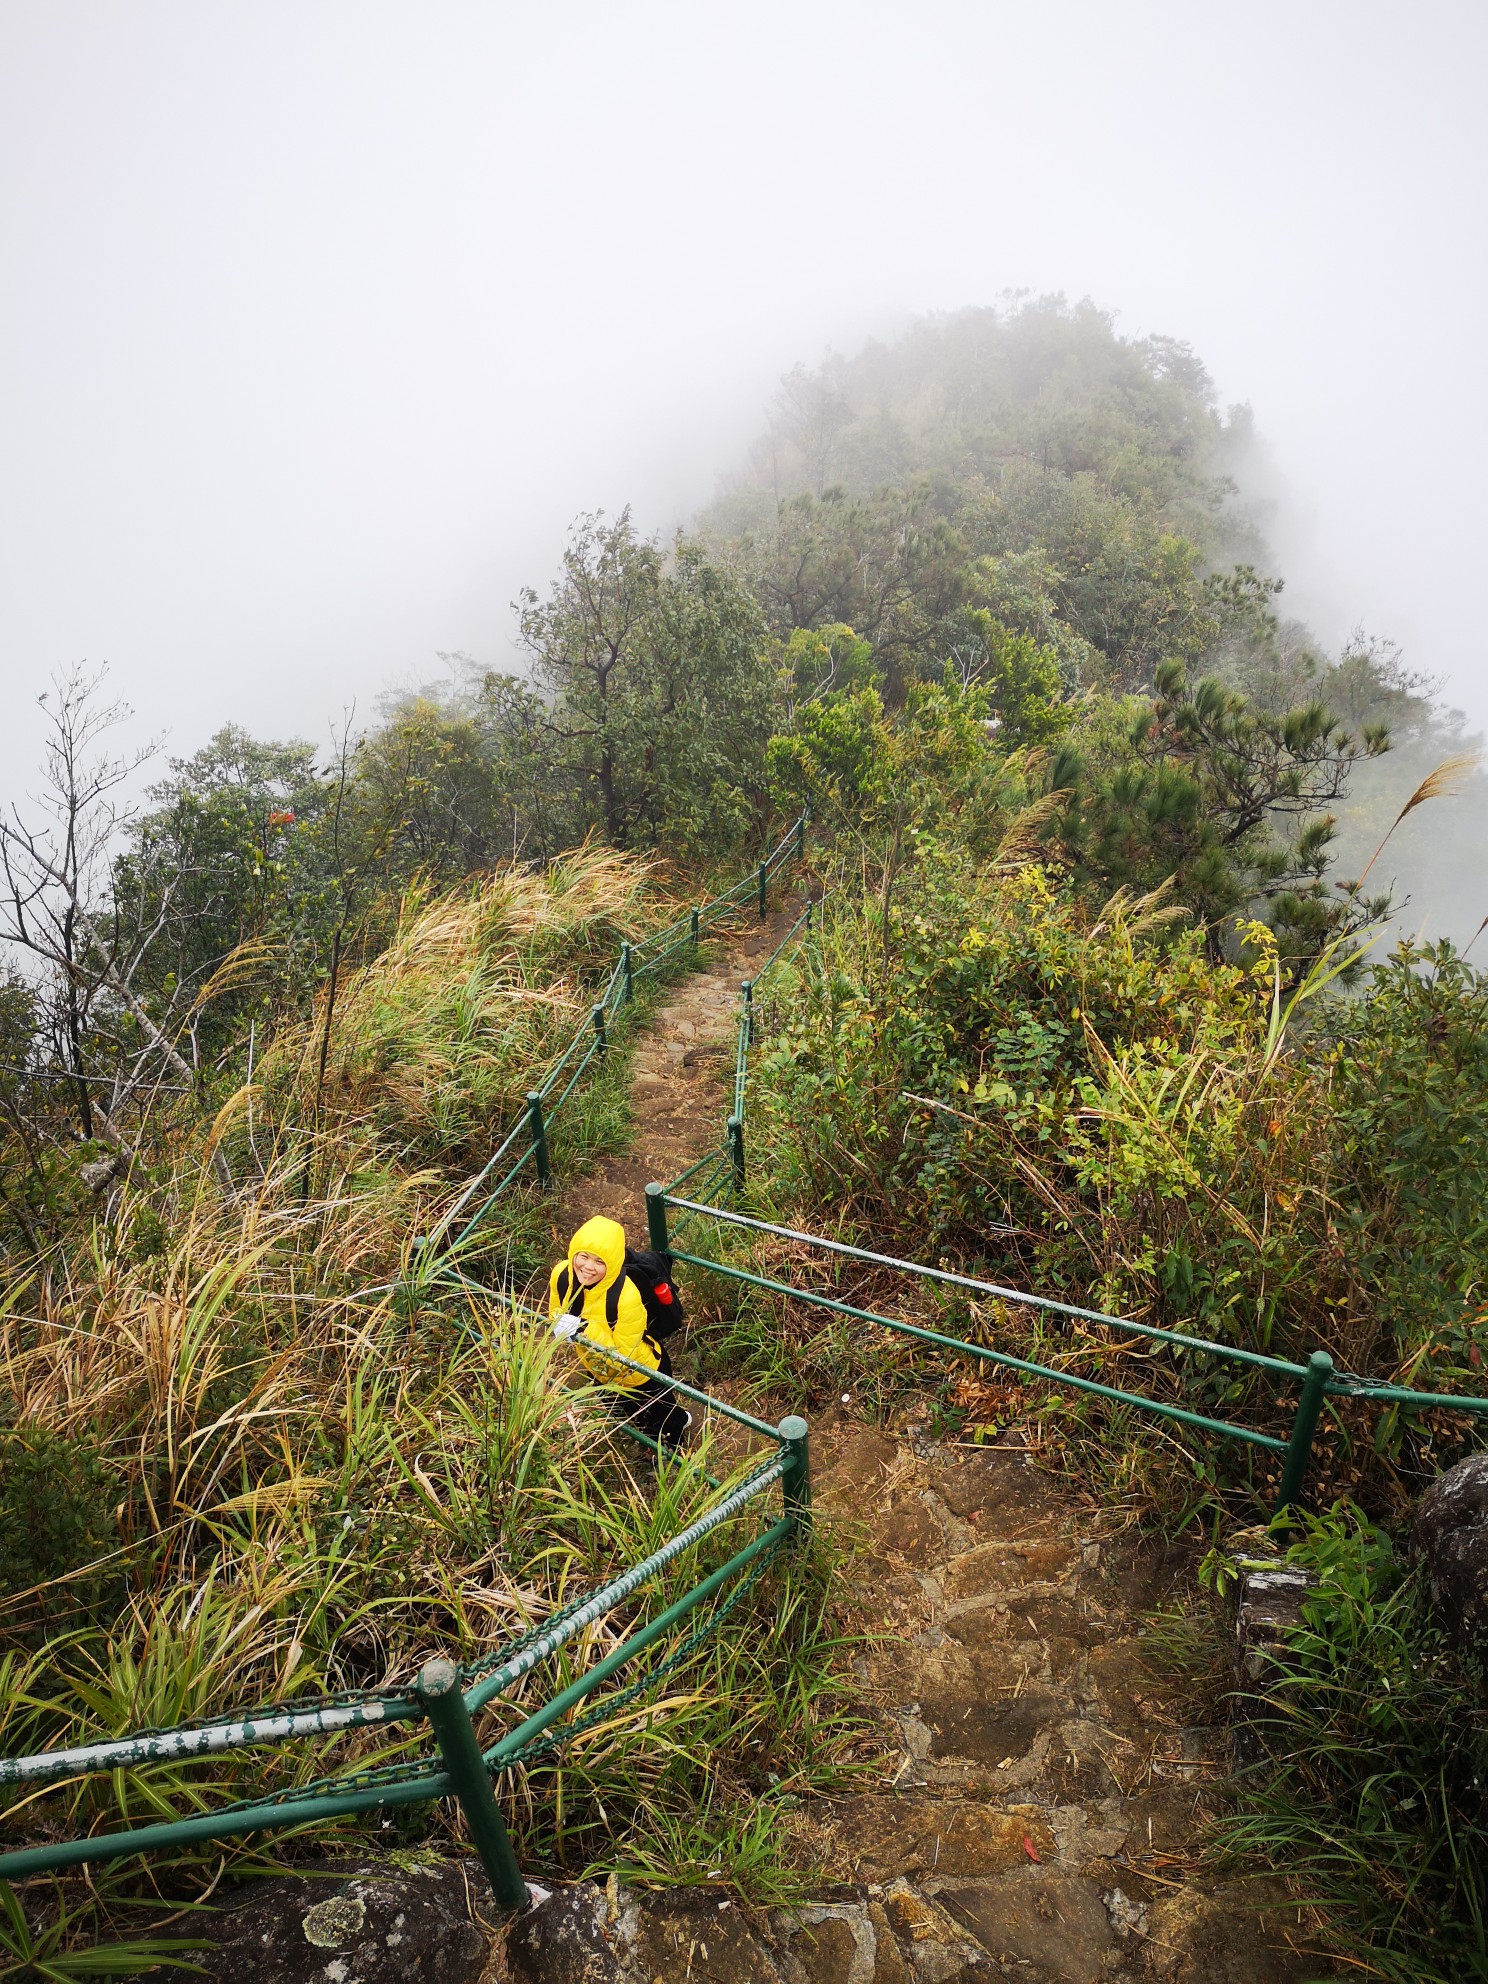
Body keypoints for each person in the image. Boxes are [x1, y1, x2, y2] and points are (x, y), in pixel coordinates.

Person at [548, 1215, 691, 1453]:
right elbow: (556, 1309)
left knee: (665, 1419)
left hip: (644, 1373)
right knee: (631, 1413)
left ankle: (674, 1449)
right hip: (599, 1369)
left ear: (612, 1263)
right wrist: (561, 1324)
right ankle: (649, 1439)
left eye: (599, 1261)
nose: (588, 1267)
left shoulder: (626, 1297)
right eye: (583, 1256)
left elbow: (625, 1357)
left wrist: (583, 1329)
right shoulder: (562, 1274)